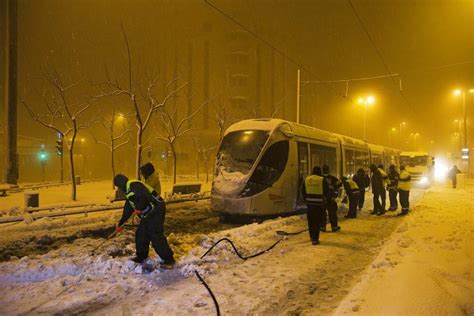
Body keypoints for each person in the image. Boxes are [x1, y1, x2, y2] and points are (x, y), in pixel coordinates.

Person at [114, 174, 175, 268]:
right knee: (141, 233)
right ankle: (141, 256)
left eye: (118, 186)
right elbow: (128, 209)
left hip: (157, 208)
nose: (119, 189)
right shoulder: (129, 192)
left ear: (120, 184)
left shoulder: (133, 185)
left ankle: (169, 259)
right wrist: (121, 224)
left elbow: (144, 196)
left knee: (154, 233)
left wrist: (139, 208)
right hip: (149, 212)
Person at [302, 166, 328, 245]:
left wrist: (306, 199)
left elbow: (303, 190)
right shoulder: (322, 179)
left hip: (310, 204)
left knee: (311, 221)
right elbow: (326, 190)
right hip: (319, 204)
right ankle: (315, 239)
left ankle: (311, 236)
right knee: (317, 222)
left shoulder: (307, 179)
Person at [322, 165, 341, 232]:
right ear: (328, 170)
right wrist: (335, 193)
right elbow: (339, 184)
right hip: (331, 197)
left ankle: (322, 227)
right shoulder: (333, 178)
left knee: (322, 212)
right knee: (332, 212)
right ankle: (334, 227)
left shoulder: (320, 178)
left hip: (322, 198)